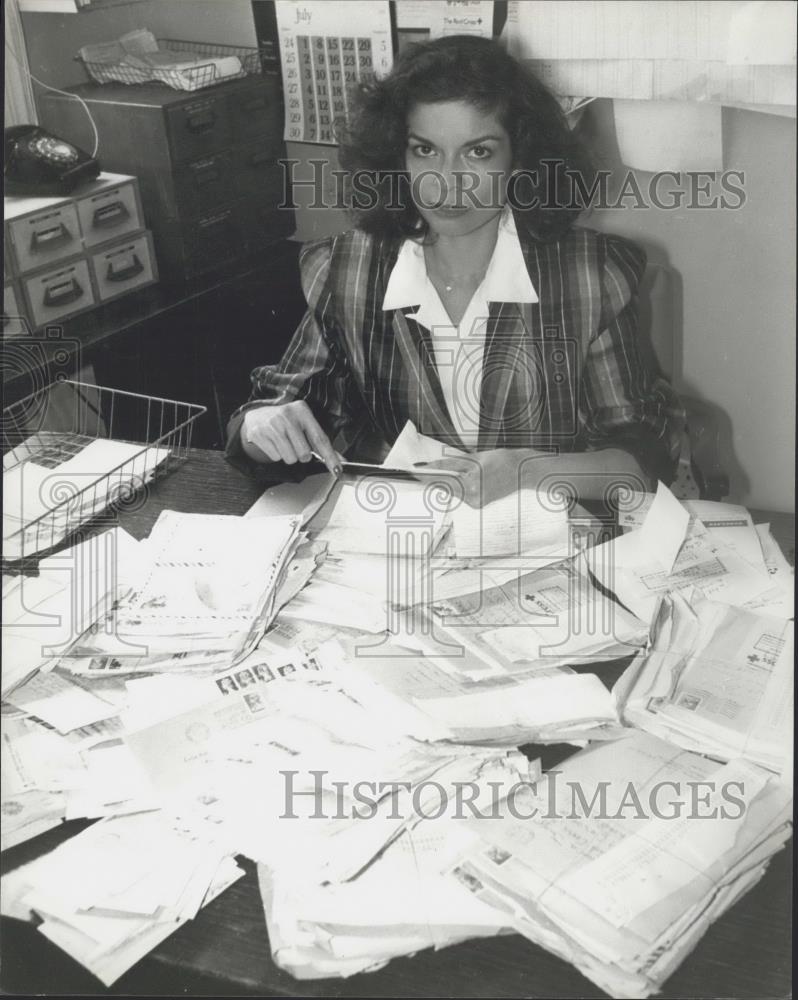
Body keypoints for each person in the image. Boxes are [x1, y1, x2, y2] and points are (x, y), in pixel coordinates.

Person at [227, 35, 684, 508]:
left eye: (478, 152)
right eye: (425, 150)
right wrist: (264, 425)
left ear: (520, 159)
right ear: (396, 156)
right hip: (398, 540)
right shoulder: (349, 269)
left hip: (552, 540)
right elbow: (279, 405)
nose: (447, 182)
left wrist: (527, 471)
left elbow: (642, 461)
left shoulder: (591, 276)